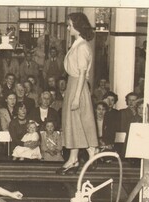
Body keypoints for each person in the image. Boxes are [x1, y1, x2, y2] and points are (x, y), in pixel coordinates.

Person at [58, 12, 98, 175]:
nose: (68, 28)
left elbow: (82, 74)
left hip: (78, 87)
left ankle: (92, 154)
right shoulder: (78, 44)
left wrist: (75, 97)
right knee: (73, 123)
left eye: (69, 25)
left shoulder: (82, 47)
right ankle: (74, 158)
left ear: (77, 26)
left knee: (80, 121)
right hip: (73, 85)